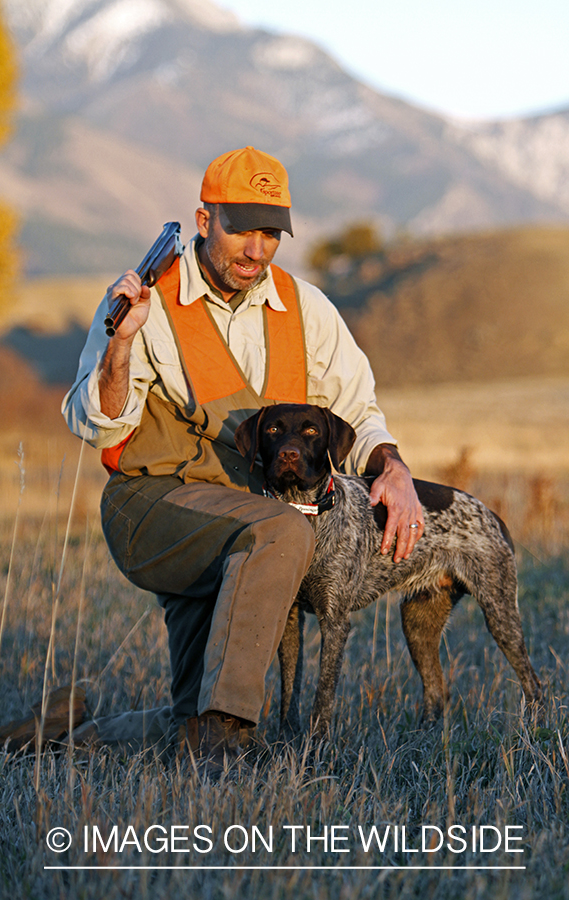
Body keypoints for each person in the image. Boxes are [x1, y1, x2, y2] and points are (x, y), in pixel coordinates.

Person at [62, 146, 424, 771]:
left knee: (184, 721)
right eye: (241, 229)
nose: (256, 251)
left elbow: (356, 407)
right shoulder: (145, 300)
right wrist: (121, 347)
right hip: (154, 506)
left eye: (270, 233)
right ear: (204, 221)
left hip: (239, 520)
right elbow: (94, 422)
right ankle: (231, 737)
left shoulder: (305, 307)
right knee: (285, 528)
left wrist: (392, 466)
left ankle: (57, 737)